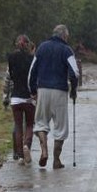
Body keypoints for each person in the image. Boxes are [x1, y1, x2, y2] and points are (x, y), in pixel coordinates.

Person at [28, 24, 79, 169]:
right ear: (64, 35)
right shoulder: (67, 50)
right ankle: (56, 160)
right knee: (60, 127)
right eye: (67, 36)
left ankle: (44, 150)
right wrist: (73, 89)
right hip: (60, 91)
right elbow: (74, 73)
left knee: (40, 123)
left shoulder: (42, 47)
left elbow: (32, 71)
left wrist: (33, 90)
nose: (67, 39)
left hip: (43, 89)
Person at [5, 35, 36, 164]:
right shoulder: (32, 59)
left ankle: (21, 156)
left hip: (15, 98)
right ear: (28, 44)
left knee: (18, 127)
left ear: (16, 44)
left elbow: (10, 77)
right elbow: (34, 78)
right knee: (29, 125)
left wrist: (5, 97)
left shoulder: (10, 58)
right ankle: (26, 146)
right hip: (29, 98)